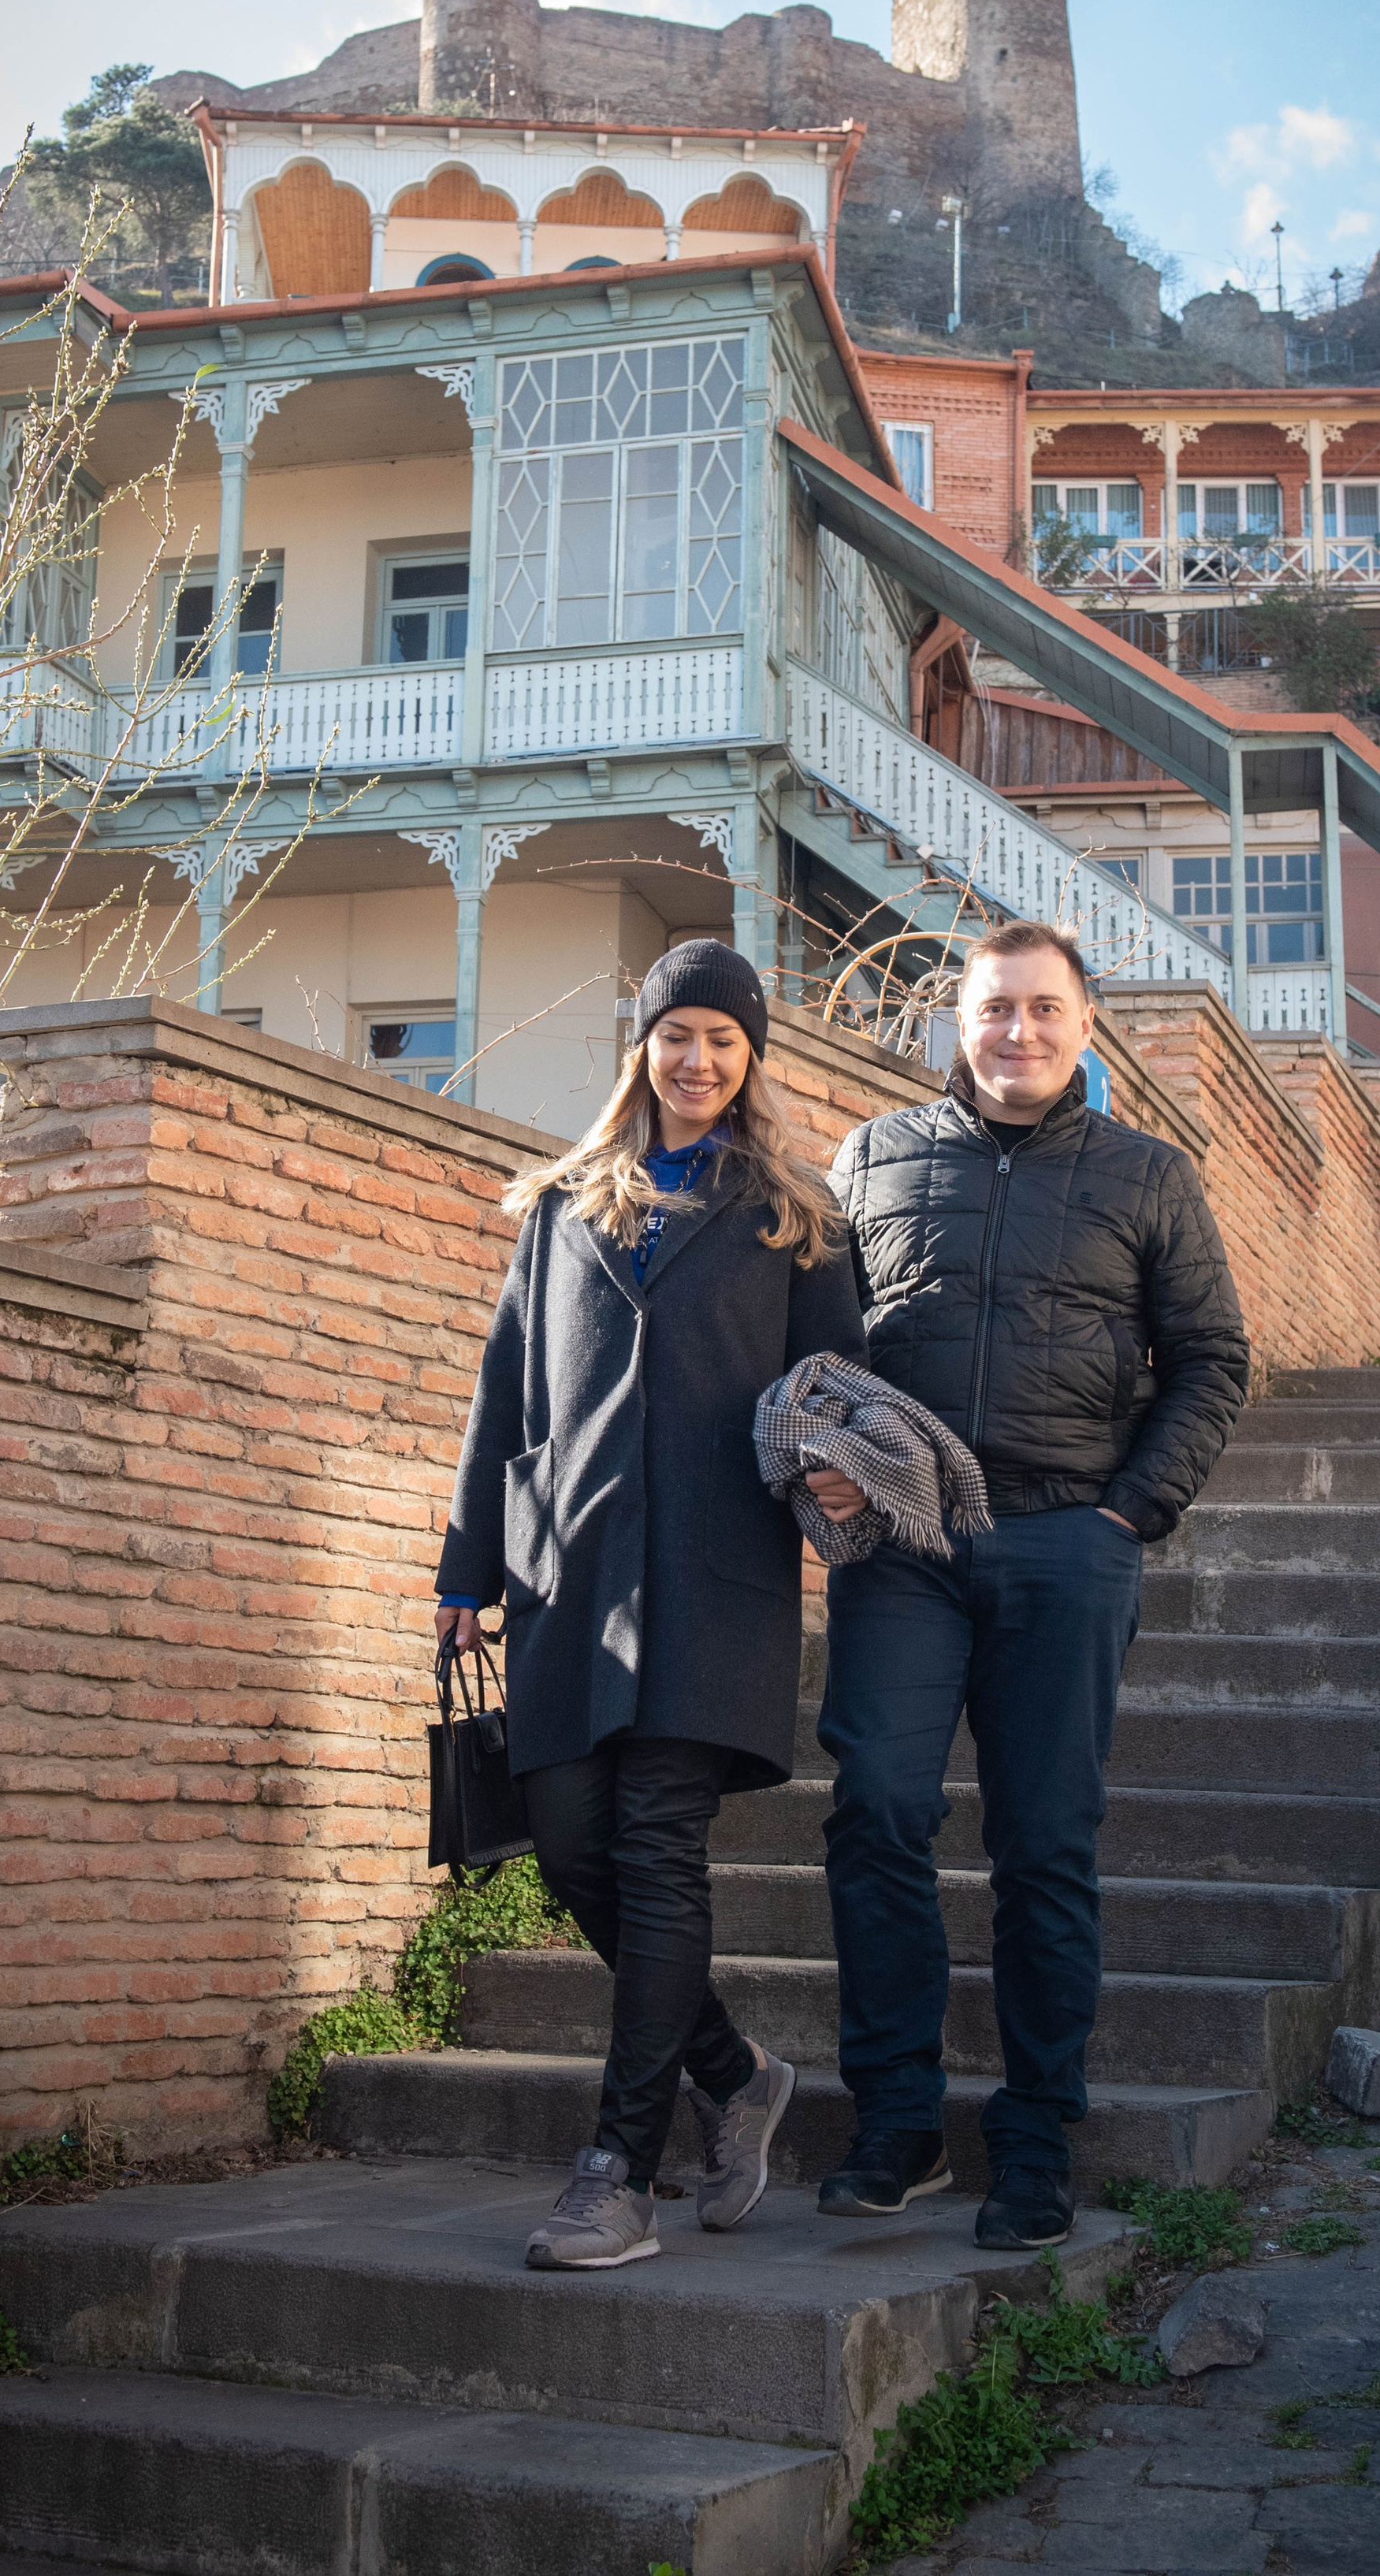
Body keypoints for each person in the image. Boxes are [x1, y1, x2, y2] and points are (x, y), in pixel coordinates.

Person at [814, 920, 1249, 2247]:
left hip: (1070, 1540)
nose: (1019, 1032)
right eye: (996, 1009)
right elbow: (817, 1352)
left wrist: (1129, 1514)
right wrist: (824, 1462)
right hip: (907, 1550)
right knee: (879, 1808)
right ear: (959, 1019)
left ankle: (1035, 2133)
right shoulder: (873, 1158)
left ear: (1084, 1025)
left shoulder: (1149, 1177)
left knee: (1044, 1843)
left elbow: (1213, 1361)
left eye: (1045, 1010)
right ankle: (896, 2117)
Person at [437, 939, 867, 2272]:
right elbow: (505, 1389)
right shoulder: (563, 1208)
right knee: (570, 1846)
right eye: (676, 1034)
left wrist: (841, 1476)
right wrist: (466, 1570)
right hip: (566, 1574)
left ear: (751, 1062)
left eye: (723, 1039)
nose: (698, 1059)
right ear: (643, 1048)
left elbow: (836, 1395)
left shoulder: (796, 1219)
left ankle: (616, 2172)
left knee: (658, 1851)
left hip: (716, 1578)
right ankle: (735, 2076)